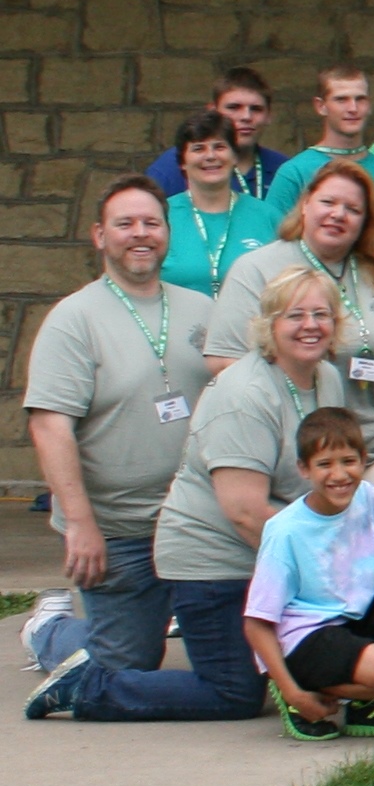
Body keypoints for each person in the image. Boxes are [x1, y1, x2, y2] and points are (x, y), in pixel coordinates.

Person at [32, 268, 352, 725]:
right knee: (232, 693)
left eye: (321, 313)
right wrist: (326, 566)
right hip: (213, 560)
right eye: (294, 314)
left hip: (265, 555)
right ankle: (87, 685)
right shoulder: (245, 392)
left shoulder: (325, 379)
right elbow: (244, 511)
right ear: (269, 325)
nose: (310, 325)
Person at [23, 183, 213, 689]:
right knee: (127, 664)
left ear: (167, 234)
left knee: (229, 660)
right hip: (118, 528)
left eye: (151, 223)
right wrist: (82, 525)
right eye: (125, 224)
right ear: (99, 236)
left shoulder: (202, 311)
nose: (140, 235)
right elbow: (49, 425)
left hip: (197, 523)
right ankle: (50, 630)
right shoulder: (73, 320)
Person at [236, 410, 374, 741]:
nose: (339, 474)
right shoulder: (286, 531)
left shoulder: (370, 499)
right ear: (304, 469)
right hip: (306, 635)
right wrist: (290, 690)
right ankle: (309, 693)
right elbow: (257, 623)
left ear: (363, 461)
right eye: (325, 464)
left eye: (348, 461)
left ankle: (369, 700)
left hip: (352, 616)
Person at [206, 161, 374, 466]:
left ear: (366, 221)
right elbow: (225, 360)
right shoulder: (257, 269)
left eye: (353, 209)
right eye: (327, 202)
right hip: (294, 452)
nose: (338, 214)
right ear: (305, 206)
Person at [162, 111, 279, 296]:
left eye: (219, 147)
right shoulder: (161, 216)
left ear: (235, 157)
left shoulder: (269, 217)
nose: (210, 156)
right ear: (182, 162)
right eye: (198, 148)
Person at [267, 63, 374, 206]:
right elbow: (272, 227)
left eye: (360, 99)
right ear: (321, 106)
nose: (353, 108)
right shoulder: (294, 173)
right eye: (341, 100)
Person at [145, 67, 282, 202]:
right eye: (234, 107)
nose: (246, 116)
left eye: (256, 109)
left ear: (268, 116)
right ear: (212, 111)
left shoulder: (284, 169)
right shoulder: (170, 168)